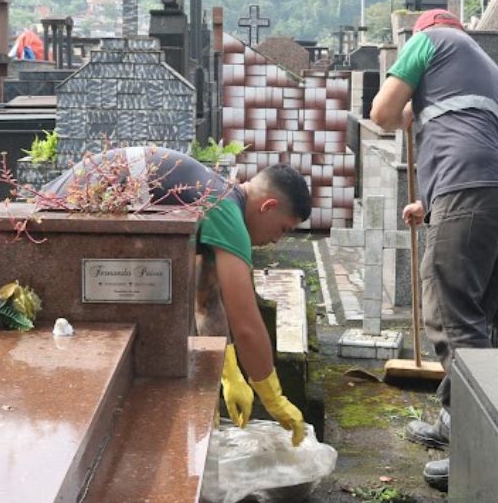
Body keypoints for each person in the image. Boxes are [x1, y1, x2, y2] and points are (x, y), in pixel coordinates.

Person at [42, 146, 312, 446]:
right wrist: (274, 398)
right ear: (268, 206)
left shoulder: (218, 198)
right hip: (54, 218)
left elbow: (207, 300)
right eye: (283, 229)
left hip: (68, 213)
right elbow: (246, 323)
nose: (277, 240)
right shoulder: (225, 208)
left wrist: (228, 370)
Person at [370, 8, 498, 491]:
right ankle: (454, 421)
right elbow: (472, 135)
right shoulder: (488, 65)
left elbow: (381, 114)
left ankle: (479, 453)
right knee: (479, 313)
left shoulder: (428, 42)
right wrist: (430, 203)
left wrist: (407, 102)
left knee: (452, 318)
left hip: (469, 189)